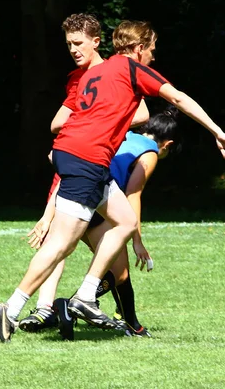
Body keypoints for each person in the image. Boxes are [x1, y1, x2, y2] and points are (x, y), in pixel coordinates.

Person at [0, 19, 225, 343]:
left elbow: (73, 119)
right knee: (61, 243)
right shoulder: (132, 69)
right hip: (87, 159)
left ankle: (86, 294)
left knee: (125, 220)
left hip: (79, 156)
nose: (152, 56)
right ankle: (10, 309)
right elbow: (176, 98)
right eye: (151, 50)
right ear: (139, 49)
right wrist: (217, 131)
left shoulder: (95, 72)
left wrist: (70, 147)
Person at [20, 107, 180, 339]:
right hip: (100, 202)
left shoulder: (124, 134)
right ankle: (101, 313)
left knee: (60, 252)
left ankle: (45, 308)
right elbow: (132, 195)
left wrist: (49, 215)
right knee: (120, 274)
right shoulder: (150, 153)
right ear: (168, 144)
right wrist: (137, 240)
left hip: (74, 196)